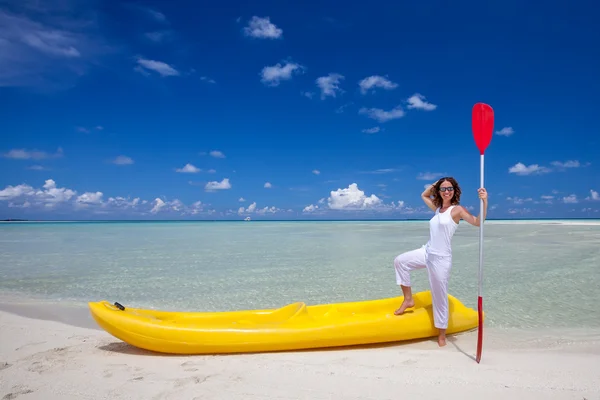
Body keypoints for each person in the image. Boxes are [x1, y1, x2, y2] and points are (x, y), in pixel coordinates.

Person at [392, 176, 488, 347]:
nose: (446, 191)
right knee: (400, 261)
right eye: (443, 189)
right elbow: (424, 195)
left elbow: (477, 222)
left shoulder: (457, 210)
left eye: (449, 188)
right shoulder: (437, 209)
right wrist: (437, 183)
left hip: (441, 259)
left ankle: (441, 333)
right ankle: (408, 299)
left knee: (439, 296)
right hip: (427, 252)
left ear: (454, 191)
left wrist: (485, 201)